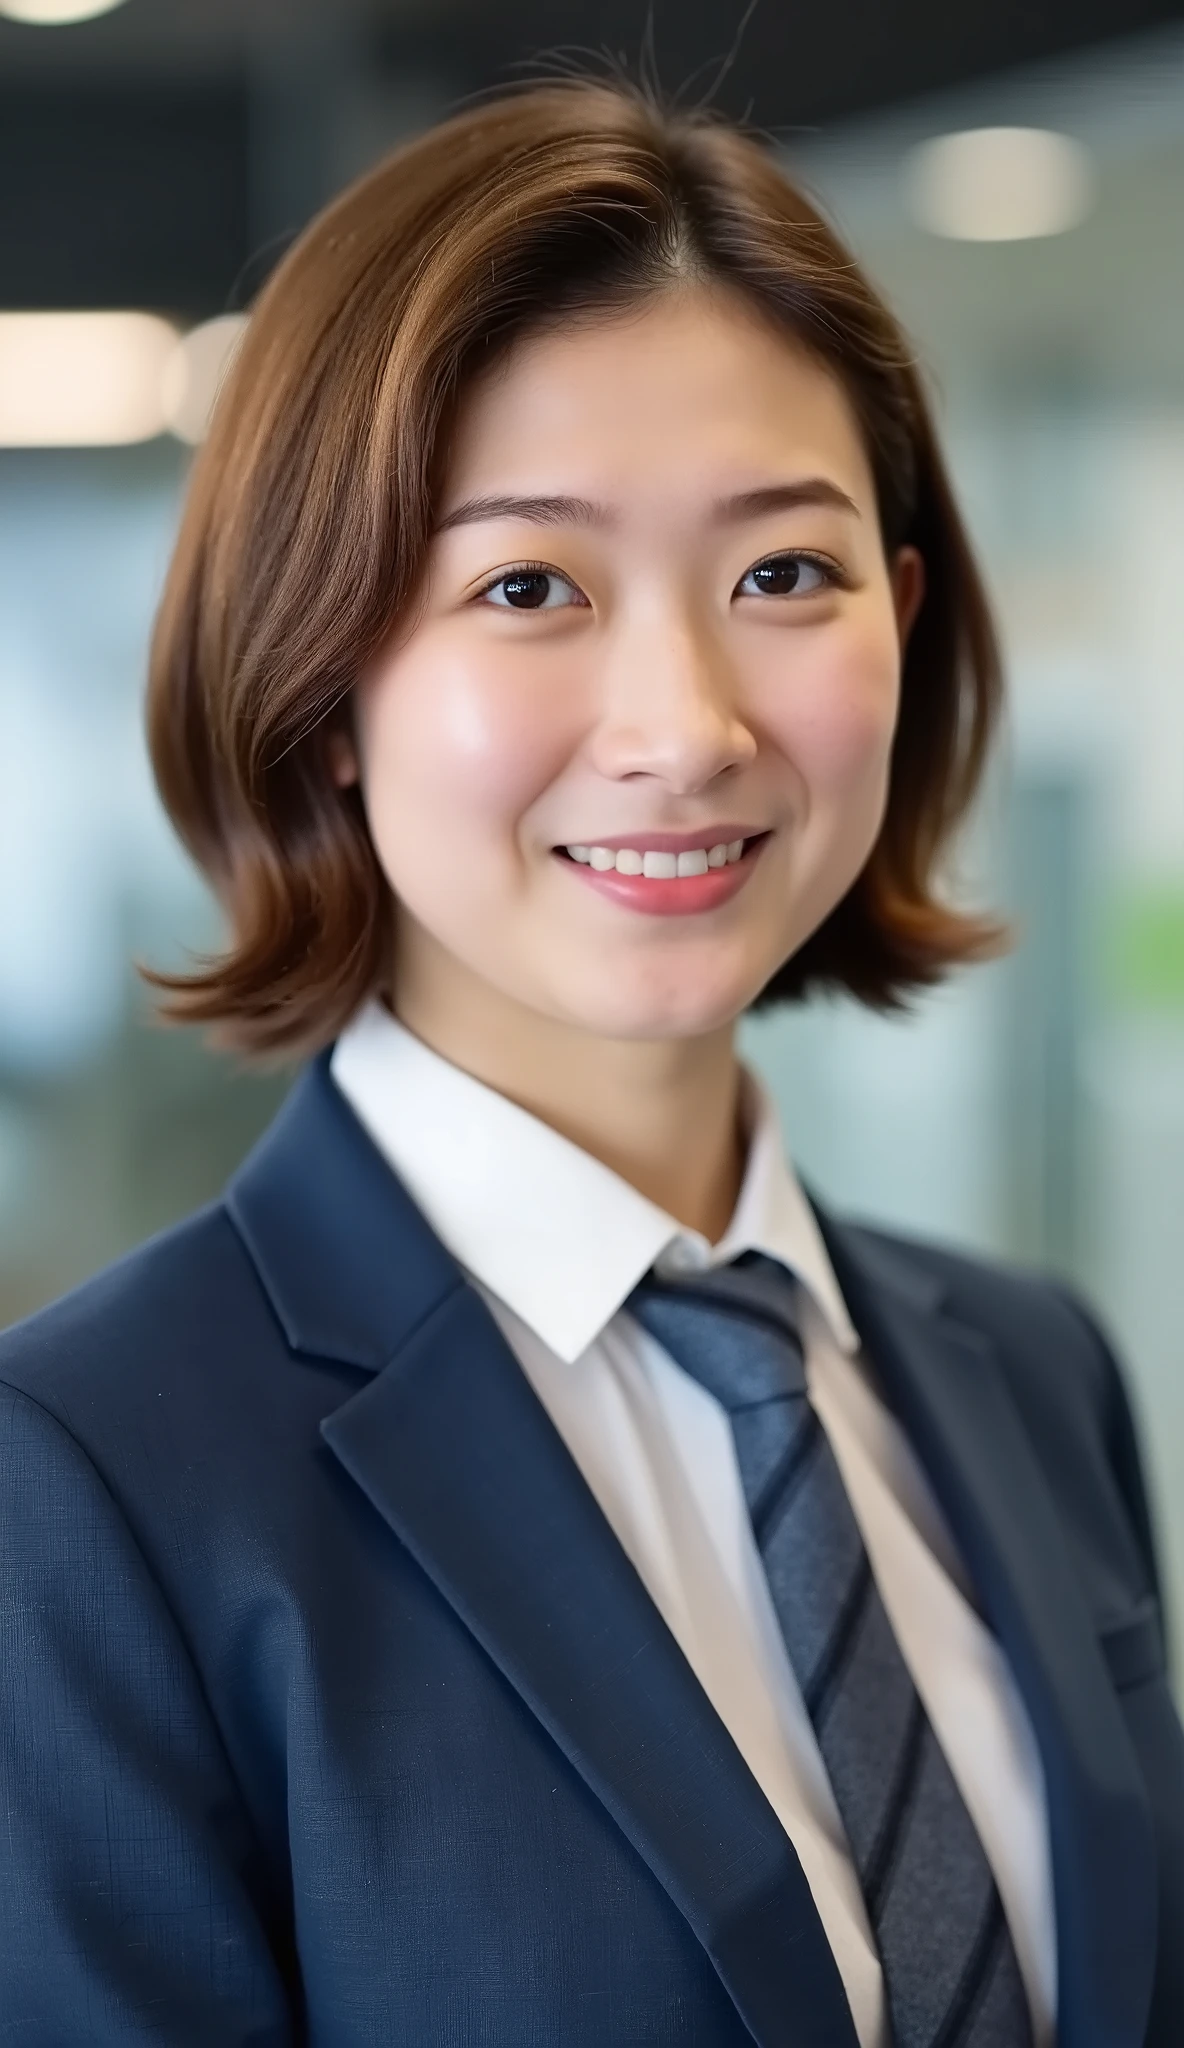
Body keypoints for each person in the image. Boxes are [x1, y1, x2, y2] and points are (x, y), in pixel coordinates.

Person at [0, 77, 1178, 2048]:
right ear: (328, 683)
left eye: (782, 574)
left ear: (900, 617)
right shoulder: (88, 1479)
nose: (685, 722)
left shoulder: (1028, 1368)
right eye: (527, 586)